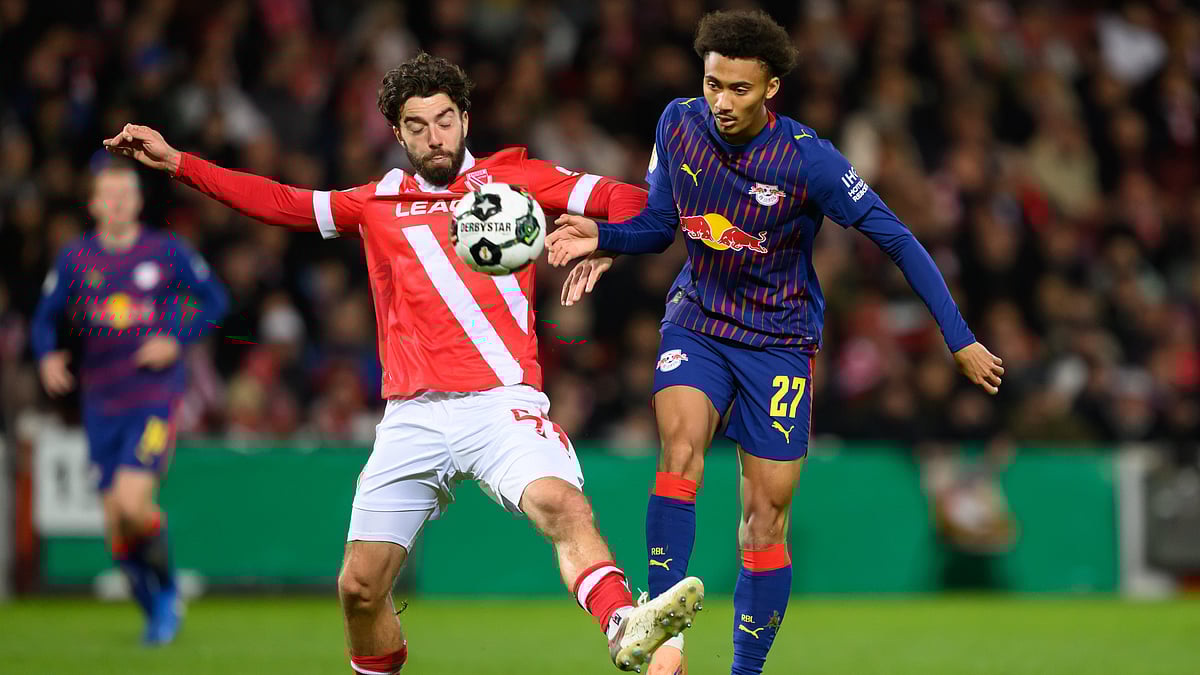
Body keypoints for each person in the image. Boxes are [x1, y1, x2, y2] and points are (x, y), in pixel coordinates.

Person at [103, 53, 703, 674]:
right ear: (397, 132)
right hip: (411, 417)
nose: (433, 136)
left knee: (564, 507)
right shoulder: (377, 202)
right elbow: (280, 202)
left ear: (465, 118)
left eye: (445, 120)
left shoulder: (514, 179)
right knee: (359, 589)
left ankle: (621, 625)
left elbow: (633, 199)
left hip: (503, 405)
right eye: (417, 125)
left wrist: (606, 241)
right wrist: (179, 163)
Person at [546, 10, 1005, 675]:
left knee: (764, 520)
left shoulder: (808, 159)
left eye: (738, 89)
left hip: (780, 343)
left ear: (770, 89)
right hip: (698, 321)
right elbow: (657, 223)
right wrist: (605, 236)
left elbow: (898, 239)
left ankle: (745, 670)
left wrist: (957, 337)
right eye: (712, 85)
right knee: (680, 450)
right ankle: (656, 625)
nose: (721, 102)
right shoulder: (677, 123)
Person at [31, 159, 230, 645]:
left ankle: (165, 597)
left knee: (131, 503)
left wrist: (175, 338)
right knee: (116, 530)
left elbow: (215, 300)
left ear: (138, 202)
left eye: (126, 194)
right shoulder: (76, 259)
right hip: (100, 400)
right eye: (109, 194)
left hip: (153, 396)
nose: (118, 202)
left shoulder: (164, 252)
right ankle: (157, 609)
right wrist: (47, 357)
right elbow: (44, 319)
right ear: (95, 203)